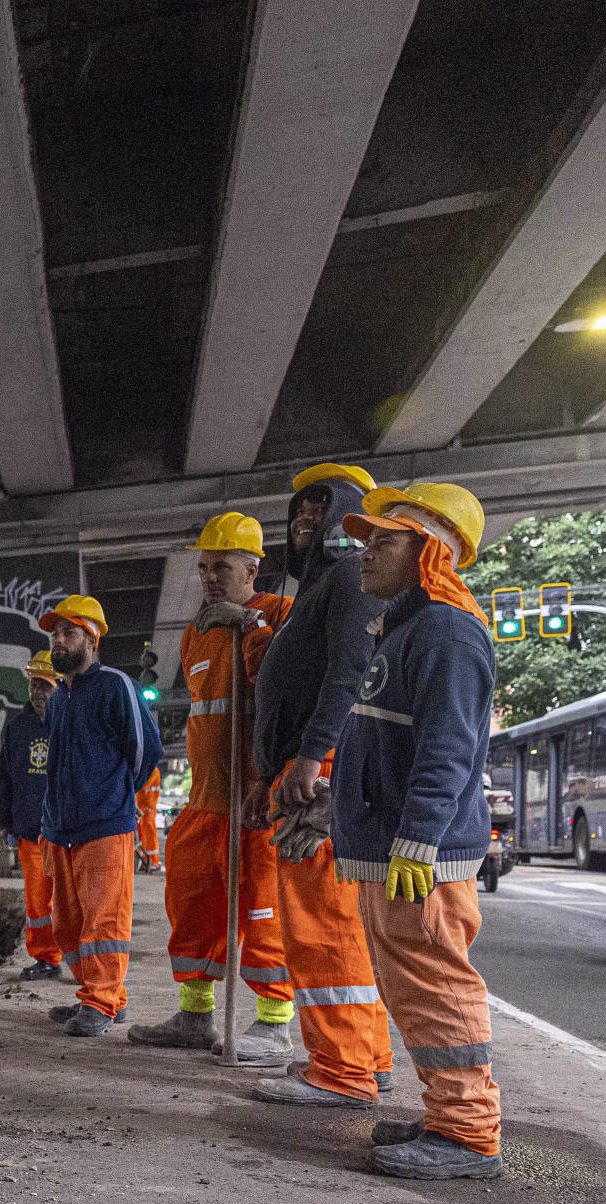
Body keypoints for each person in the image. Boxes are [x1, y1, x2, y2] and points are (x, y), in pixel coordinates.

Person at [326, 481, 503, 1179]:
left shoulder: (447, 632)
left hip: (419, 857)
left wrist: (418, 839)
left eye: (385, 540)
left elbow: (449, 748)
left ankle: (467, 1134)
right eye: (367, 539)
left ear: (431, 552)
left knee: (437, 986)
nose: (365, 552)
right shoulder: (409, 628)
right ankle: (446, 1112)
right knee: (411, 988)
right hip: (393, 848)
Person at [247, 463, 399, 1106]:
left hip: (322, 772)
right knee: (340, 923)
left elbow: (351, 673)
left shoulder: (346, 575)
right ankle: (369, 1059)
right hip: (307, 767)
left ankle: (340, 1072)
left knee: (323, 925)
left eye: (321, 505)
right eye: (299, 509)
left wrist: (313, 757)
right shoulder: (319, 587)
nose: (305, 516)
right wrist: (271, 771)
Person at [129, 513, 297, 1062]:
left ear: (253, 567)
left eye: (220, 565)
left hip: (256, 802)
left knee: (265, 914)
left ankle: (274, 1023)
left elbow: (285, 684)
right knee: (194, 906)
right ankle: (196, 1015)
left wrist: (249, 625)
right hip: (207, 801)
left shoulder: (281, 615)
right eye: (202, 567)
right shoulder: (195, 634)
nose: (208, 576)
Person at [40, 595, 165, 1035]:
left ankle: (102, 1001)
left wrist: (111, 794)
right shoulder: (58, 699)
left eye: (67, 633)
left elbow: (146, 750)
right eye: (54, 634)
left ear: (91, 639)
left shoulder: (116, 685)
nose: (58, 641)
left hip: (104, 825)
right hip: (60, 828)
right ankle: (100, 995)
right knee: (68, 924)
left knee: (104, 921)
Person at [0, 652, 60, 978]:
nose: (37, 691)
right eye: (34, 684)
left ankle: (82, 962)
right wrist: (5, 820)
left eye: (44, 685)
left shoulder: (69, 722)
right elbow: (4, 777)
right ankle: (47, 958)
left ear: (59, 686)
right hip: (31, 832)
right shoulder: (16, 729)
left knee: (70, 904)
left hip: (66, 834)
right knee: (38, 904)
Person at [134, 775, 163, 871]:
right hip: (144, 811)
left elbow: (139, 786)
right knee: (143, 837)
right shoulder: (152, 771)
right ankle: (146, 862)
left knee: (148, 837)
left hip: (146, 812)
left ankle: (151, 862)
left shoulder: (152, 772)